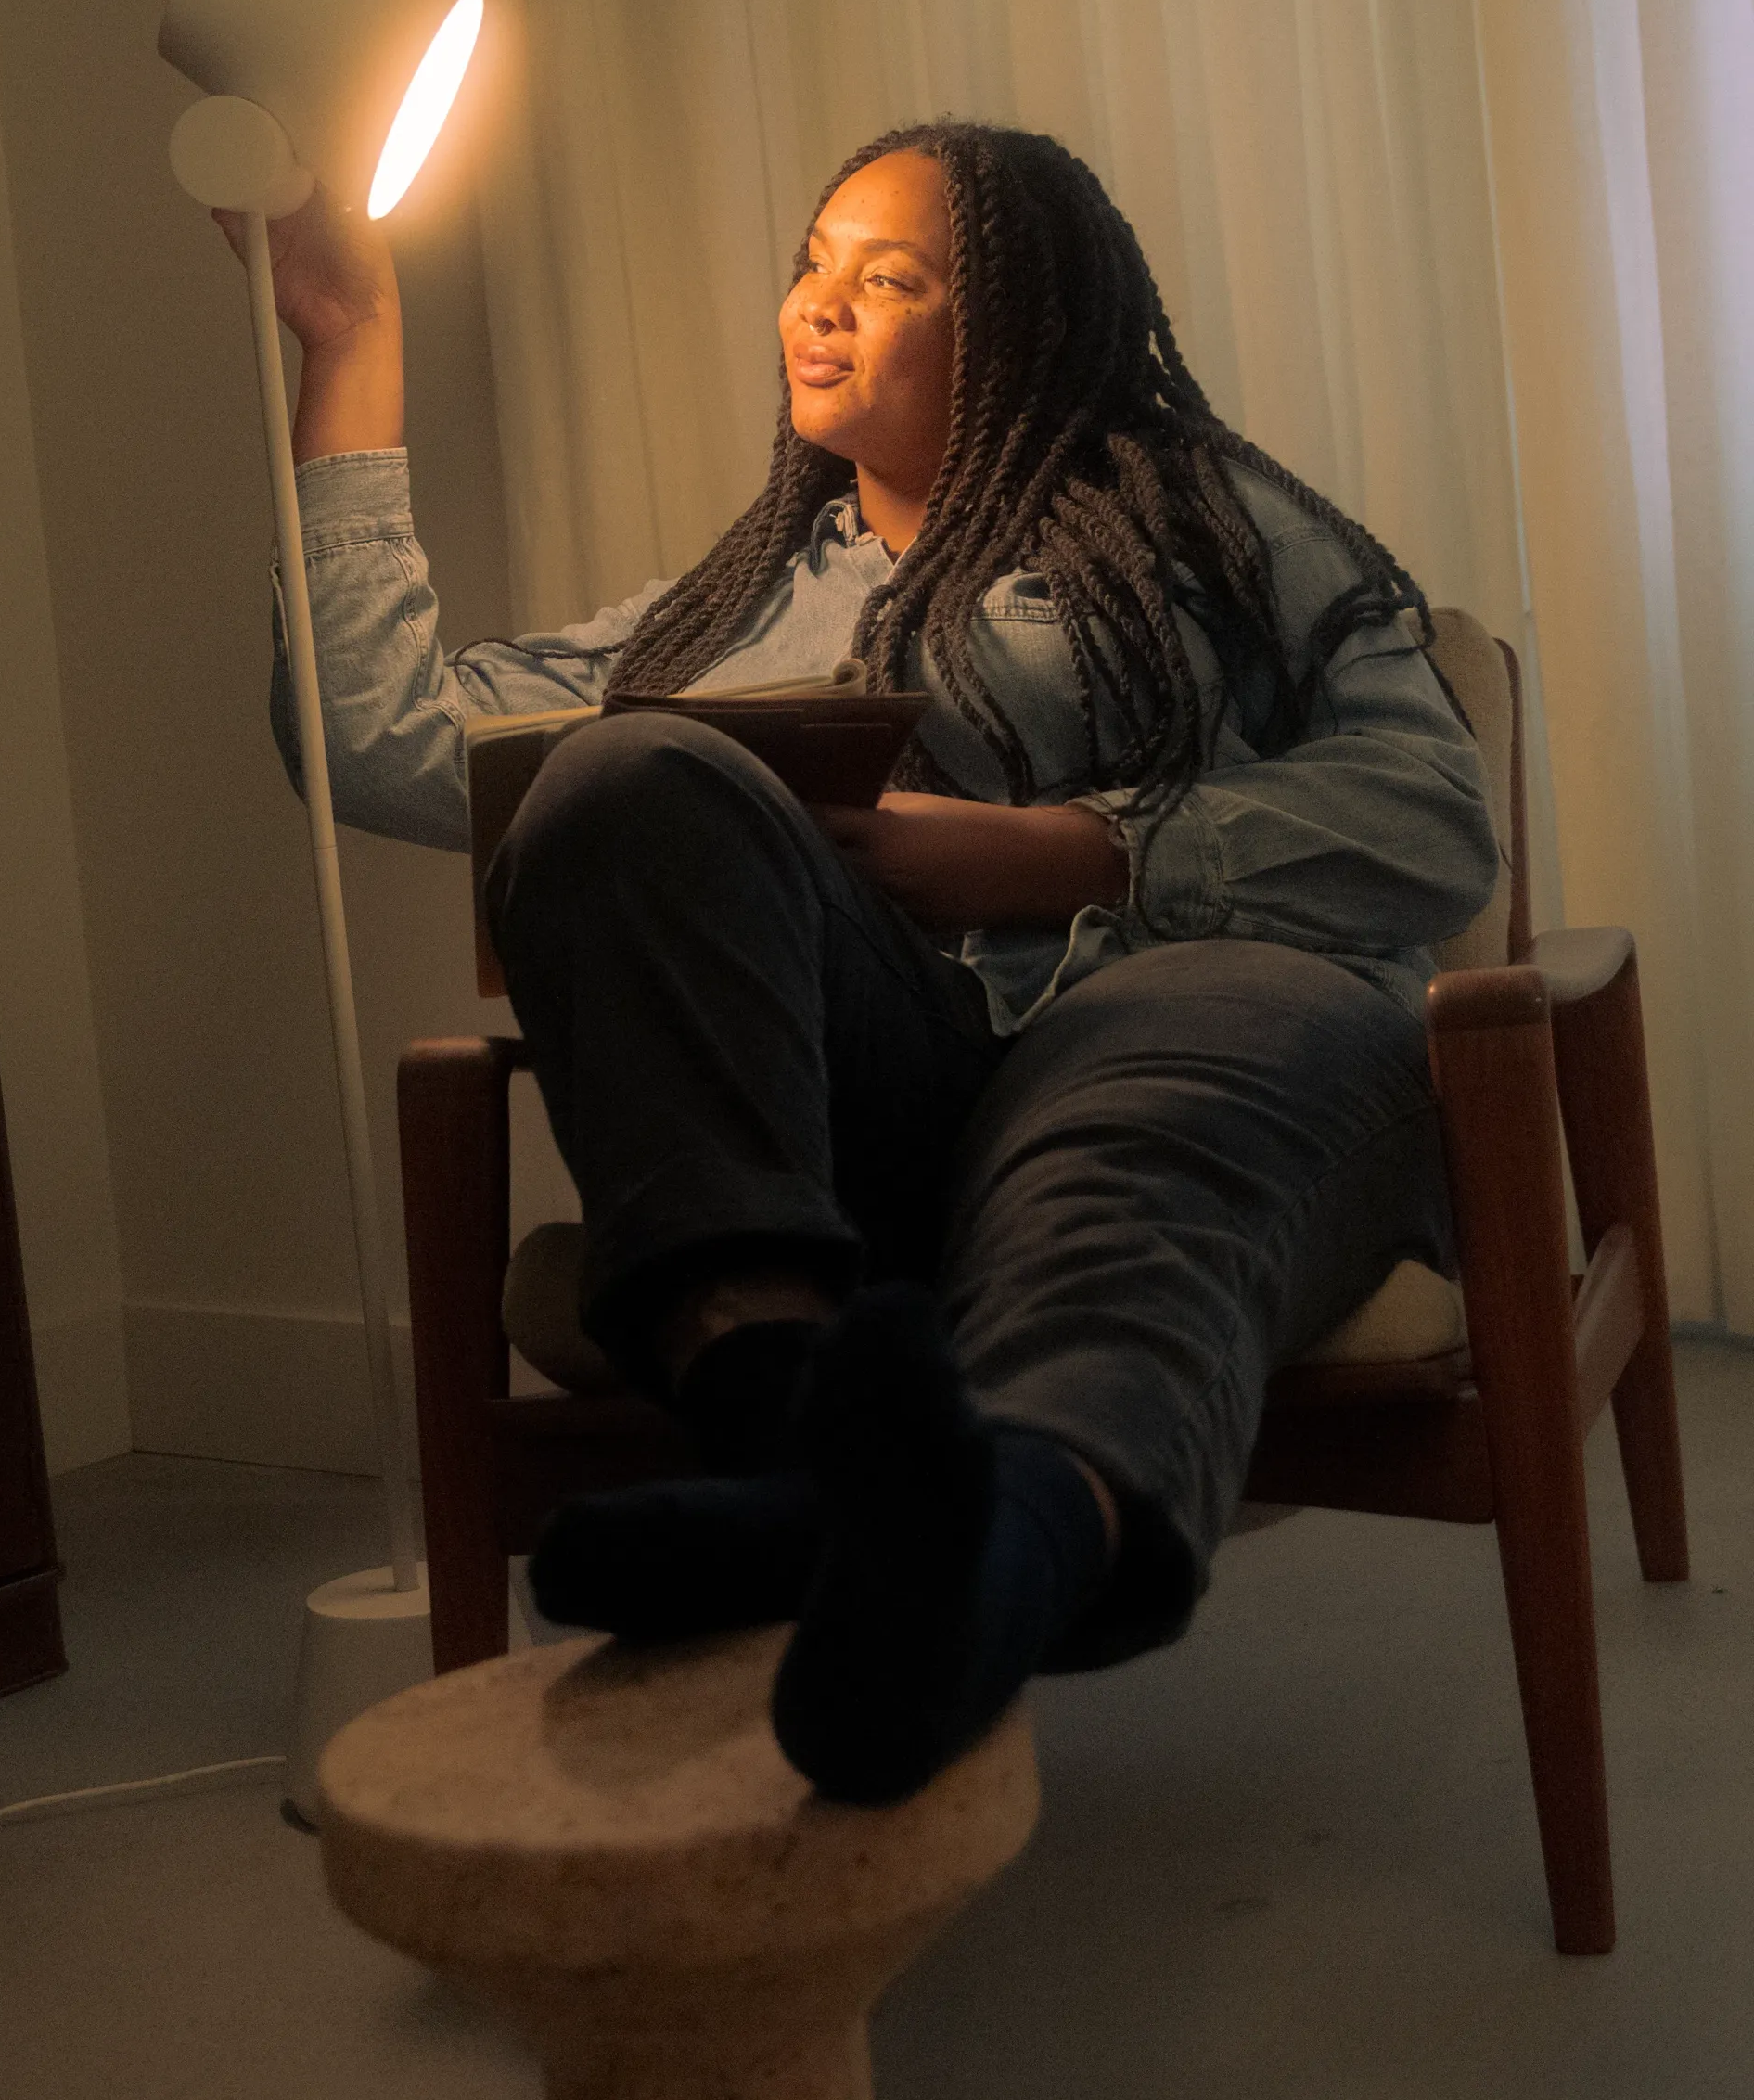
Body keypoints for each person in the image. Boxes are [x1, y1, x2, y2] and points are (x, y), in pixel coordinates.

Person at [224, 122, 1497, 1808]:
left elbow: (1426, 810)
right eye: (814, 262)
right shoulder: (734, 607)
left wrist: (1065, 848)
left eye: (888, 280)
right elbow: (374, 735)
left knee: (1124, 1160)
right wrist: (351, 345)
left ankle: (996, 1564)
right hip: (870, 1125)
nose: (819, 307)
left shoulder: (1204, 521)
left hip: (1191, 1027)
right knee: (621, 769)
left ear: (1023, 329)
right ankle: (787, 1417)